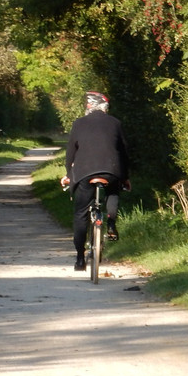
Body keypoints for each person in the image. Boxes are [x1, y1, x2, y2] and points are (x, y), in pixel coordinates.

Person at [60, 91, 130, 271]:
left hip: (84, 173)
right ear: (105, 107)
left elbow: (70, 153)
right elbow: (124, 152)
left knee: (80, 214)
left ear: (88, 107)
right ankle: (111, 223)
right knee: (114, 190)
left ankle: (80, 259)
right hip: (111, 171)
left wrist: (69, 174)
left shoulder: (79, 124)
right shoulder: (115, 123)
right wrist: (125, 177)